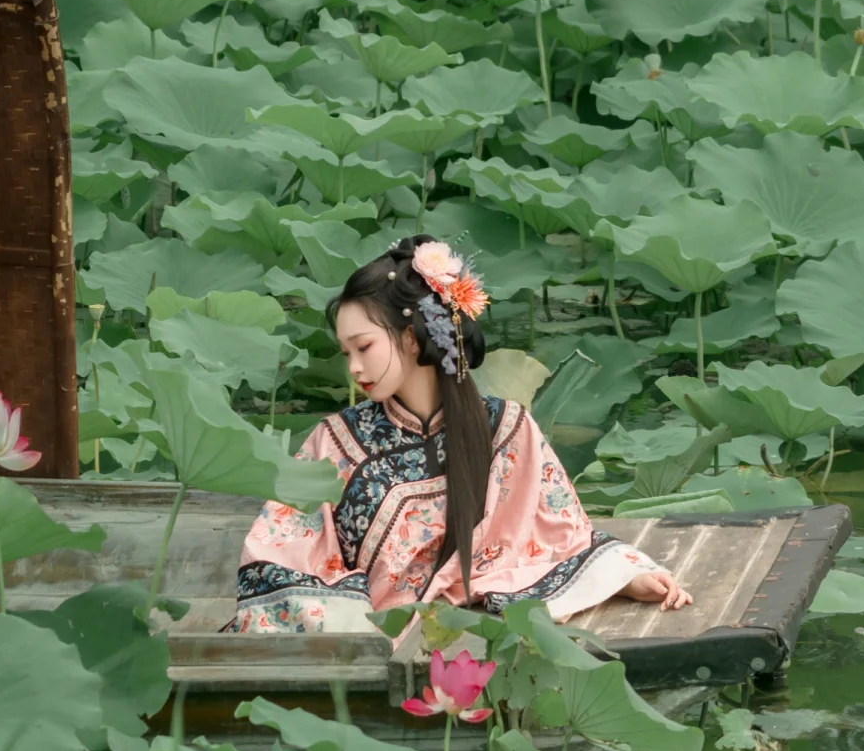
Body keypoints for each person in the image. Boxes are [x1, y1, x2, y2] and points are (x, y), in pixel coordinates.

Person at [226, 234, 692, 634]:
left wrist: (623, 577)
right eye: (346, 351)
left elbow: (558, 537)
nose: (353, 367)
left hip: (469, 642)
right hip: (363, 646)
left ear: (412, 337)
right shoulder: (334, 442)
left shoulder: (507, 430)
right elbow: (279, 556)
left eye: (364, 347)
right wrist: (357, 624)